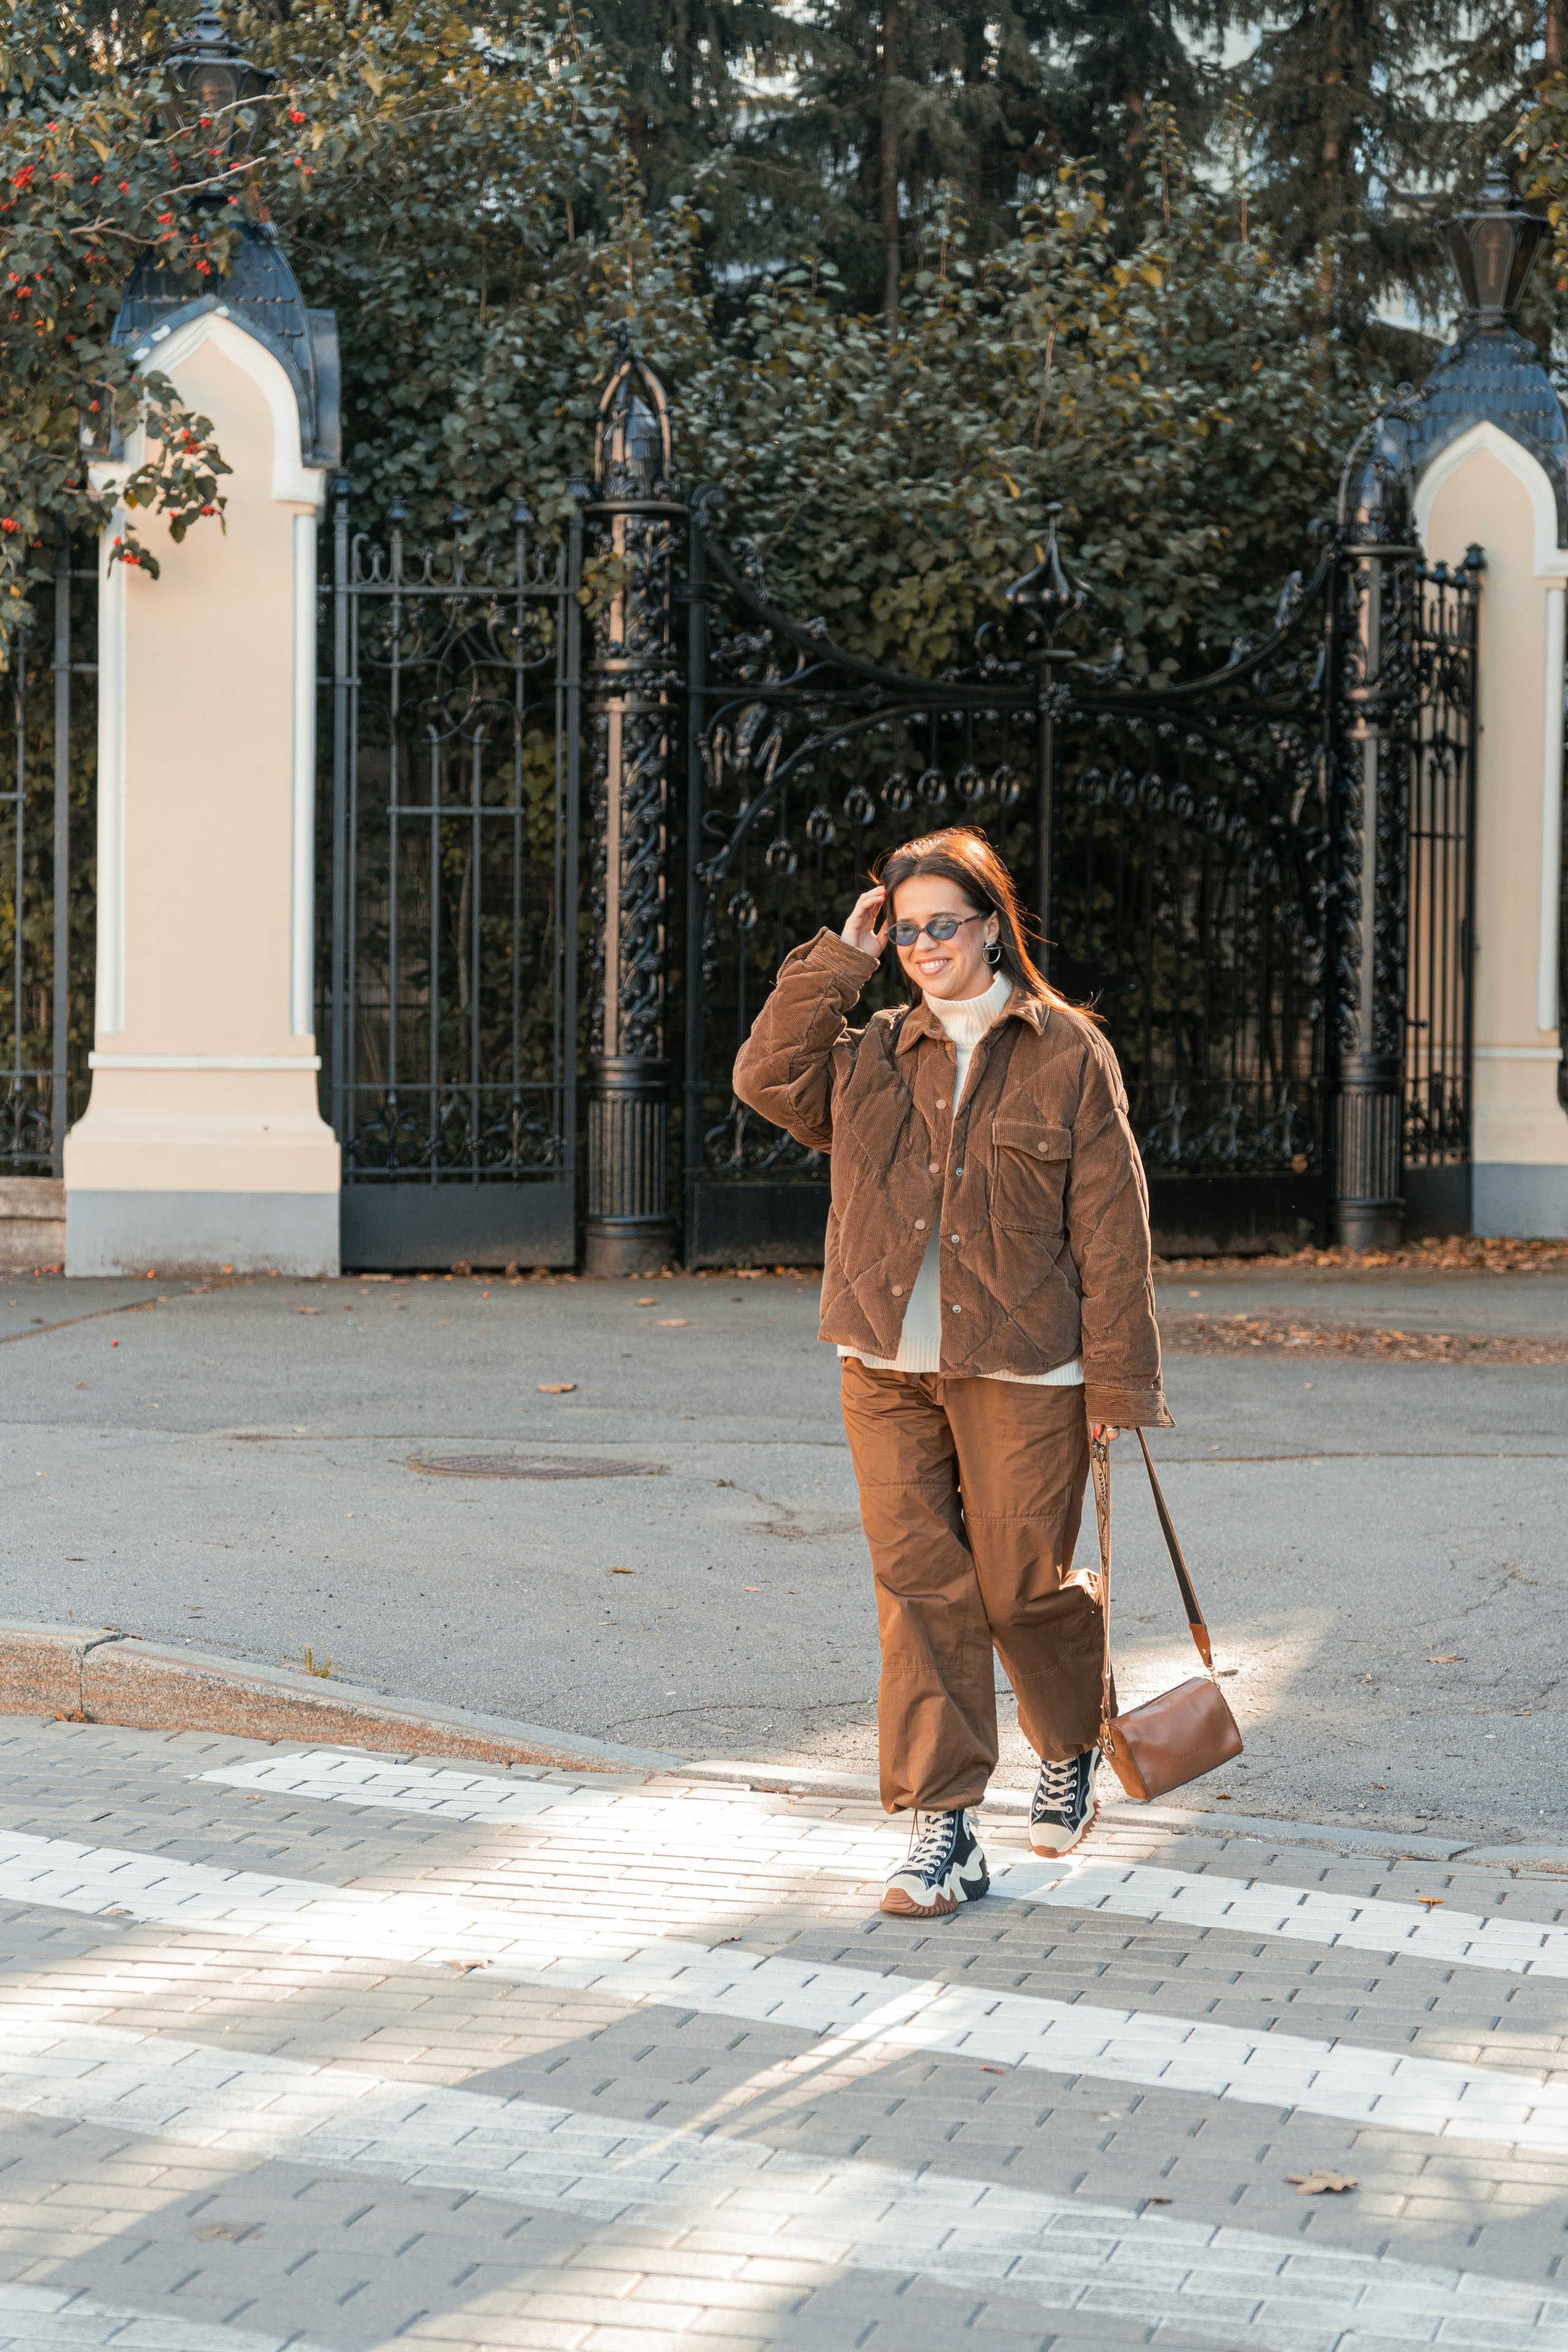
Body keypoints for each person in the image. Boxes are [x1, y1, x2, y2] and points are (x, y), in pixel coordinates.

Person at [733, 826, 1171, 1918]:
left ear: (991, 928)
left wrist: (1117, 1387)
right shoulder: (874, 1047)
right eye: (908, 926)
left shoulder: (1068, 1049)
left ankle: (1068, 1737)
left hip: (1026, 1365)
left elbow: (1114, 1229)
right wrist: (843, 954)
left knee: (1023, 1586)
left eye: (944, 924)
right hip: (884, 1362)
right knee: (920, 1593)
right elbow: (764, 1077)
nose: (925, 944)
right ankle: (944, 1826)